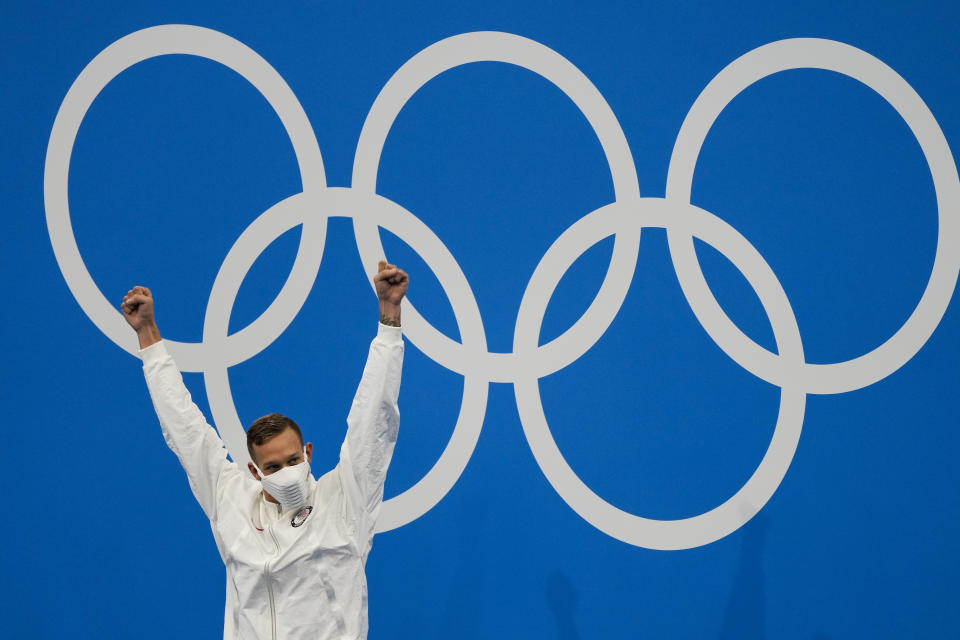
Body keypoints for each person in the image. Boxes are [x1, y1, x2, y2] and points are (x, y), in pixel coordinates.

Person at [121, 260, 409, 640]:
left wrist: (389, 318)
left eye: (293, 460)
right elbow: (185, 430)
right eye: (273, 467)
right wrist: (148, 336)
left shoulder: (346, 499)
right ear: (254, 473)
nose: (287, 472)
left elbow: (374, 418)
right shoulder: (230, 500)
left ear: (308, 453)